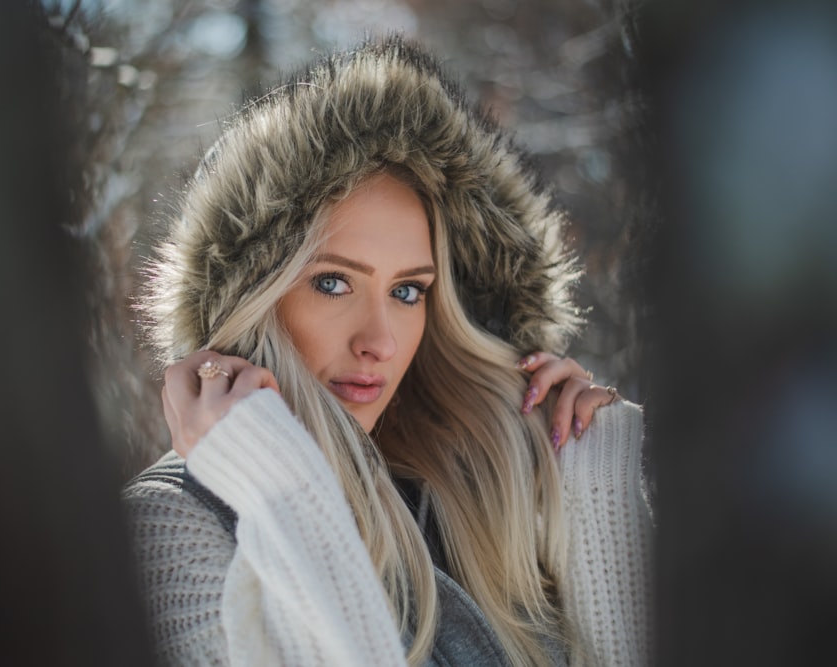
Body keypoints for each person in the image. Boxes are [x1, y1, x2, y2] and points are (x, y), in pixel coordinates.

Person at [123, 36, 653, 667]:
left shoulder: (478, 510)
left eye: (408, 291)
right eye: (332, 283)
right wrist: (279, 488)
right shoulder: (170, 528)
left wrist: (597, 490)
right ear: (255, 297)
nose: (378, 342)